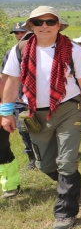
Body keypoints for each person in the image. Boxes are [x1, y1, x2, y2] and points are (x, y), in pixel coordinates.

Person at [1, 6, 81, 229]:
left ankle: (65, 212)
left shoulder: (72, 49)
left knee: (66, 161)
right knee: (44, 165)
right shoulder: (20, 50)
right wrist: (6, 113)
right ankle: (71, 184)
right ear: (31, 26)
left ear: (58, 25)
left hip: (68, 108)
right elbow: (12, 82)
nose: (44, 26)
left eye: (50, 21)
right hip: (36, 113)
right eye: (38, 22)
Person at [1, 22, 36, 171]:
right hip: (19, 99)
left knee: (45, 128)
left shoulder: (39, 50)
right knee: (24, 130)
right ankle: (32, 158)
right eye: (16, 33)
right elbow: (5, 77)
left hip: (40, 99)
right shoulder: (11, 53)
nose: (19, 36)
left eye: (22, 32)